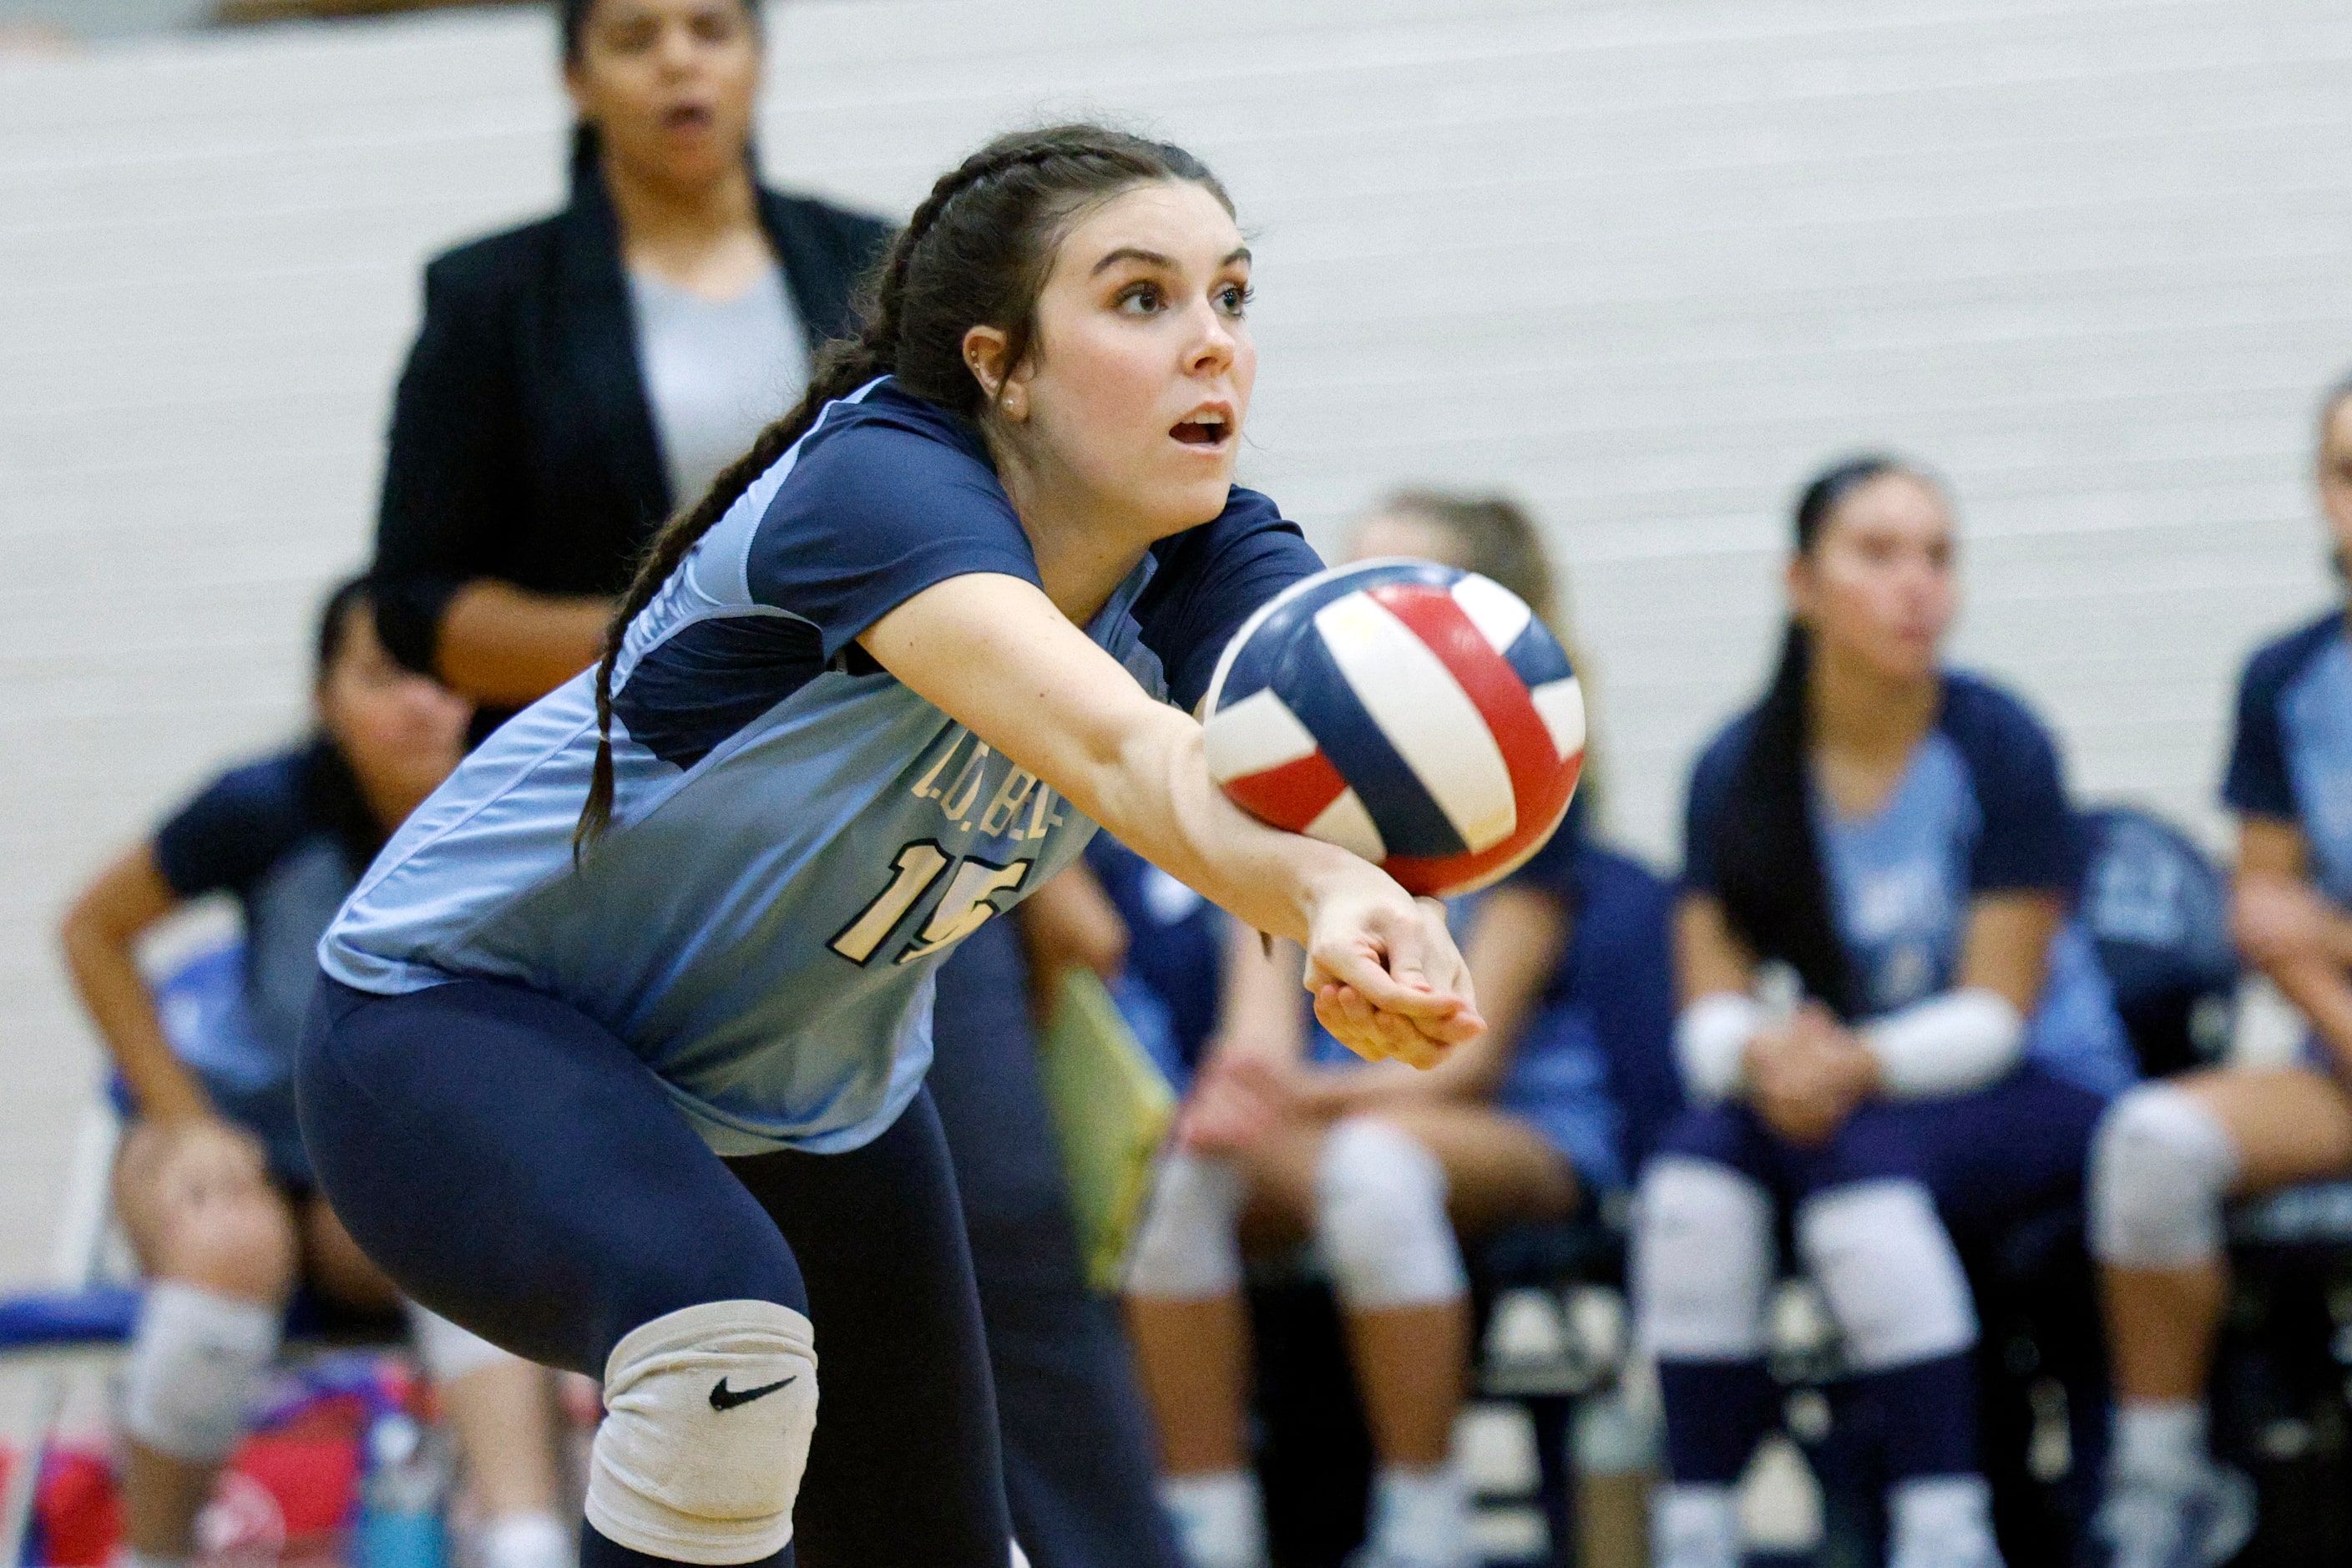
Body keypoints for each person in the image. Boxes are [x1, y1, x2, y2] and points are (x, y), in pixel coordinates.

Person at [296, 124, 1483, 1568]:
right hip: (456, 1020)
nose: (1209, 345)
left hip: (803, 1094)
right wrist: (1319, 890)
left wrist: (1378, 886)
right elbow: (1123, 751)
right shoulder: (877, 486)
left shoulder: (1212, 548)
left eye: (1231, 296)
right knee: (718, 1342)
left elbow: (1321, 765)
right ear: (1001, 365)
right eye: (1139, 298)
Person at [1122, 490, 1674, 1568]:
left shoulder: (1527, 805)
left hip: (1505, 1123)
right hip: (1328, 1119)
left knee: (1372, 1169)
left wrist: (1296, 1100)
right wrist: (1242, 1088)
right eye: (1350, 576)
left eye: (1398, 582)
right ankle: (1204, 1527)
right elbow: (1256, 1041)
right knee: (1183, 1174)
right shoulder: (1285, 780)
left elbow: (1458, 1060)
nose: (1357, 608)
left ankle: (1424, 1524)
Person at [1635, 458, 2137, 1568]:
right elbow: (1703, 1007)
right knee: (1690, 1177)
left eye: (1938, 555)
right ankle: (1698, 1524)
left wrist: (1840, 1064)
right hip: (1846, 1086)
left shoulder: (1997, 740)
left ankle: (1943, 1528)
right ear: (1800, 582)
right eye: (1878, 553)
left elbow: (1999, 1011)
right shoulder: (1737, 764)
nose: (1917, 585)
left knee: (1857, 1178)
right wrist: (1766, 1058)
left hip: (2036, 1086)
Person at [58, 581, 574, 1568]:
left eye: (442, 675)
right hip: (234, 1142)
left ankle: (525, 1539)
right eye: (384, 677)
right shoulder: (264, 807)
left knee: (460, 1210)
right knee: (226, 1244)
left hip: (370, 1176)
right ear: (324, 697)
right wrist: (185, 1117)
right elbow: (91, 930)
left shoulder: (532, 808)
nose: (423, 702)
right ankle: (154, 1552)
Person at [369, 0, 888, 735]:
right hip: (606, 769)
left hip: (859, 745)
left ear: (757, 60)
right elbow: (411, 606)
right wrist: (670, 642)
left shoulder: (874, 263)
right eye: (633, 39)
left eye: (710, 30)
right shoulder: (490, 297)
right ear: (575, 79)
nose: (678, 60)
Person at [2086, 377, 2352, 1567]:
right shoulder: (2286, 679)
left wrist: (2324, 932)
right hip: (2340, 1053)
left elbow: (2303, 915)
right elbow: (2262, 914)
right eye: (2349, 472)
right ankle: (2164, 1481)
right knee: (2149, 1143)